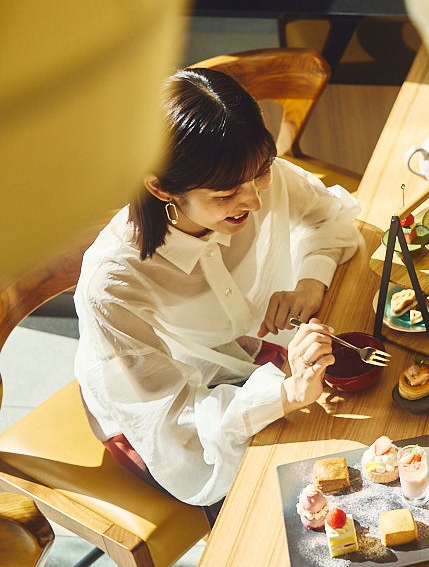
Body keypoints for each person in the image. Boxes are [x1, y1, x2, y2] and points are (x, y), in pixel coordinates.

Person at [74, 67, 363, 518]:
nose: (253, 200)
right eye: (227, 194)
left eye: (261, 174)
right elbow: (175, 425)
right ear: (161, 187)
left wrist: (311, 277)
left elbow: (329, 216)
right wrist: (285, 394)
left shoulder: (246, 174)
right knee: (285, 516)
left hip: (254, 363)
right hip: (168, 416)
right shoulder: (113, 284)